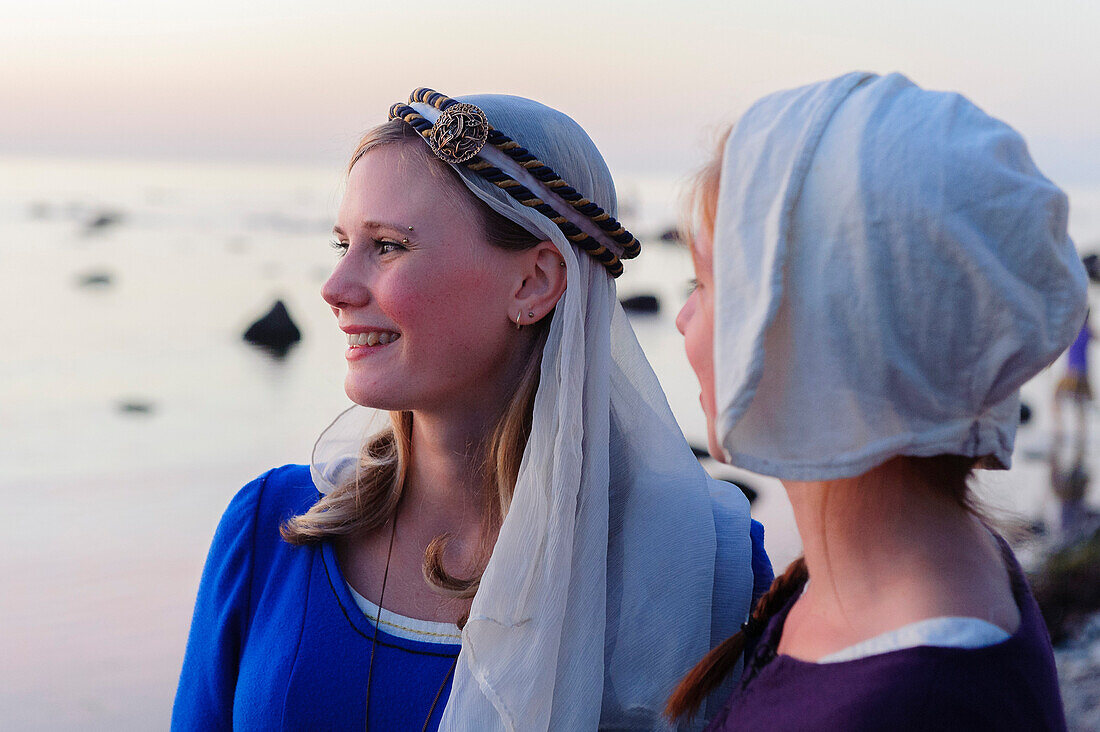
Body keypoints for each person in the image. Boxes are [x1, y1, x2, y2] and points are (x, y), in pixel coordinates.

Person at [172, 89, 771, 731]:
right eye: (341, 242)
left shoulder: (698, 566)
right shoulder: (273, 527)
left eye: (388, 246)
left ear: (534, 282)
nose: (335, 288)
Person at [667, 72, 1086, 730]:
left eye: (710, 282)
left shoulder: (920, 701)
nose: (683, 317)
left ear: (820, 328)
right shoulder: (898, 572)